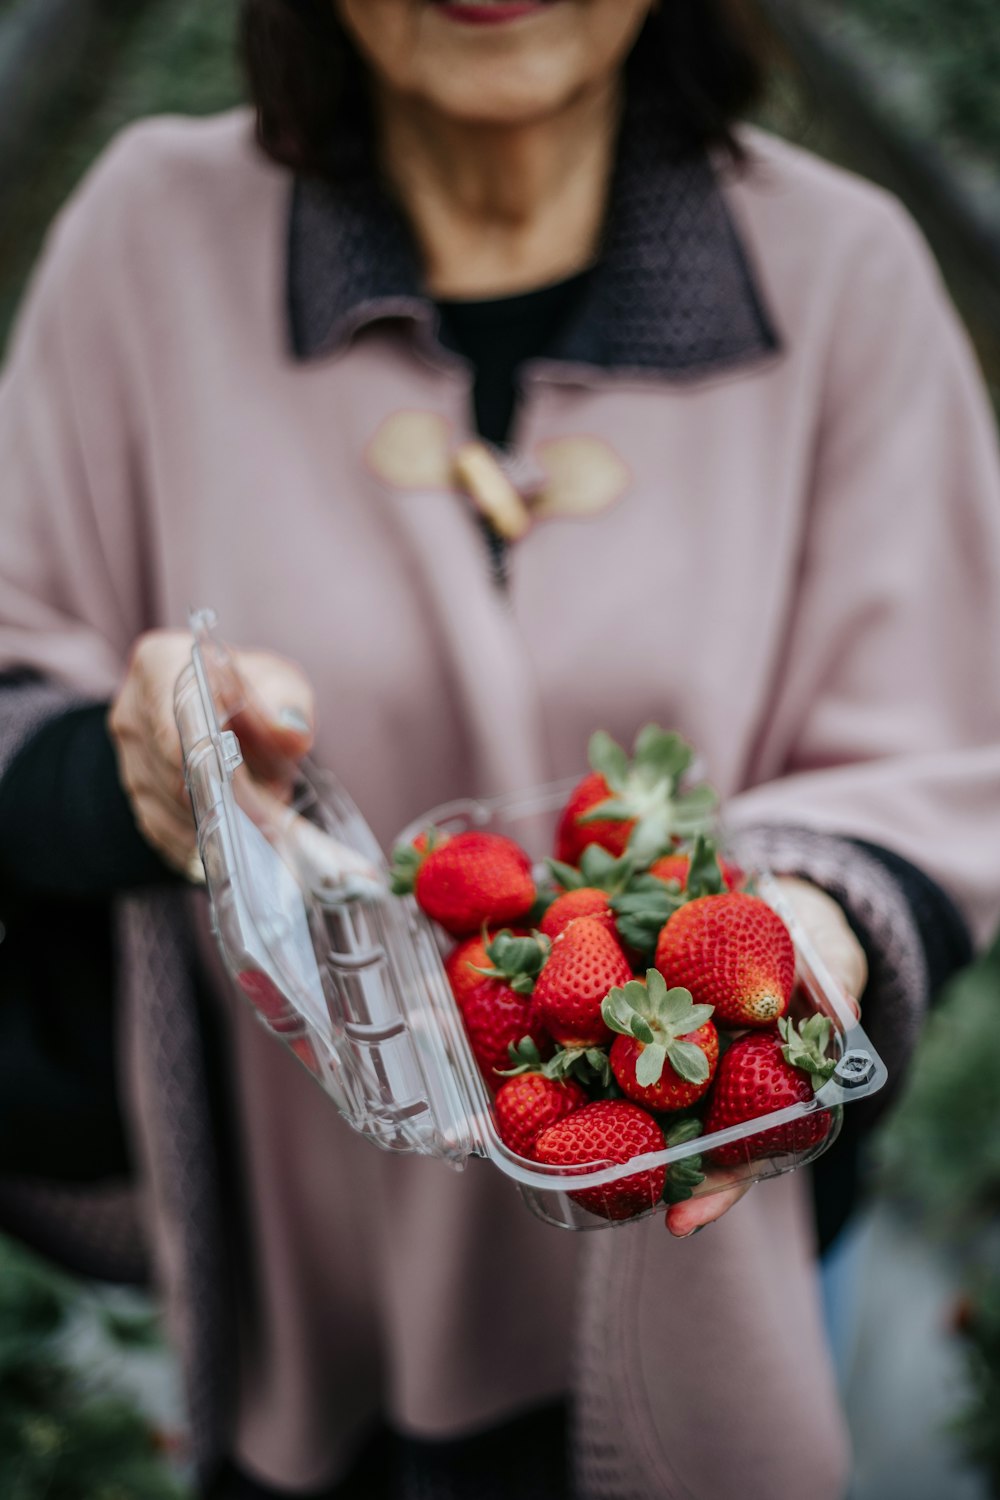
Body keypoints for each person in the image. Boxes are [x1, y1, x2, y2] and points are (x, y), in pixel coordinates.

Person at [1, 1, 998, 1495]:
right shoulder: (151, 242)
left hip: (705, 1232)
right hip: (318, 1264)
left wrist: (810, 919)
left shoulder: (843, 277)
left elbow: (937, 745)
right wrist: (133, 767)